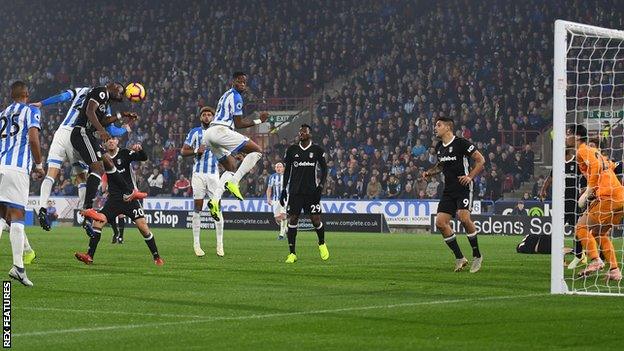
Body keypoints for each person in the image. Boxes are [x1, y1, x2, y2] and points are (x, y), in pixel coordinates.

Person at [31, 86, 130, 230]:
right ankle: (87, 218)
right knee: (82, 177)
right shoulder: (104, 104)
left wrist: (41, 103)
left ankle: (42, 209)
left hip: (61, 132)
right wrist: (125, 129)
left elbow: (62, 96)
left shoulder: (82, 90)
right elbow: (111, 129)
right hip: (78, 135)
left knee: (51, 173)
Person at [75, 139, 163, 266]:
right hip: (114, 199)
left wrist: (140, 149)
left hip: (130, 197)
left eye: (112, 139)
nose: (110, 142)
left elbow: (143, 158)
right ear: (104, 144)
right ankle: (89, 256)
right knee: (97, 223)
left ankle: (157, 257)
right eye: (107, 140)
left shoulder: (125, 153)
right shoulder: (102, 158)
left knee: (143, 227)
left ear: (117, 141)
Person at [70, 83, 146, 223]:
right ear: (112, 87)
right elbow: (89, 112)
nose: (120, 95)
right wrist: (102, 131)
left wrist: (121, 115)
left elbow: (103, 121)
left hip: (89, 134)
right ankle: (88, 207)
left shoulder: (105, 103)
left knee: (108, 163)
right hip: (82, 132)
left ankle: (129, 191)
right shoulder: (101, 92)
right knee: (97, 167)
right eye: (120, 92)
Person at [203, 72, 269, 221]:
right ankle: (234, 182)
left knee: (231, 167)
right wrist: (260, 121)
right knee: (258, 150)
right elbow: (239, 124)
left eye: (245, 82)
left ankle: (214, 200)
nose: (243, 85)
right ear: (233, 82)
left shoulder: (226, 94)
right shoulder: (237, 97)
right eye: (240, 82)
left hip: (209, 134)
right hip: (221, 131)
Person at [423, 117, 485, 273]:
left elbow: (480, 160)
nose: (435, 128)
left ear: (448, 128)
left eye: (438, 125)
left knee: (464, 218)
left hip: (463, 187)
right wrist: (430, 172)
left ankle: (477, 255)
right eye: (435, 125)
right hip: (449, 190)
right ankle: (460, 257)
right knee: (440, 223)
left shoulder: (461, 143)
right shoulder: (439, 147)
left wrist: (470, 177)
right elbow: (442, 165)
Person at [0, 81, 45, 286]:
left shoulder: (2, 114)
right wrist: (39, 164)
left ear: (12, 95)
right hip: (16, 169)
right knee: (17, 216)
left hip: (1, 166)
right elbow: (34, 139)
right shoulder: (31, 111)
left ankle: (19, 267)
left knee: (2, 217)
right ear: (27, 93)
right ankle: (18, 267)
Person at [567, 125, 621, 281]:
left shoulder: (583, 150)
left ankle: (595, 260)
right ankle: (615, 270)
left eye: (568, 134)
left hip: (608, 196)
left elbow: (597, 166)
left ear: (577, 137)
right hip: (619, 195)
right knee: (599, 233)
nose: (566, 137)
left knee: (581, 227)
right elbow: (609, 165)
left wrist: (589, 190)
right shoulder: (595, 152)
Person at [279, 124, 328, 263]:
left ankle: (322, 243)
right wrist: (284, 189)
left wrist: (321, 186)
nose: (301, 134)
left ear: (310, 134)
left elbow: (325, 170)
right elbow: (287, 171)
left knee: (315, 220)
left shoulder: (317, 150)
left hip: (311, 192)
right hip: (295, 192)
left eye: (304, 132)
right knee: (292, 220)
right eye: (300, 132)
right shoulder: (292, 150)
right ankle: (292, 253)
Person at [180, 106, 224, 257]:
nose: (206, 117)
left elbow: (226, 149)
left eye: (209, 115)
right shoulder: (195, 132)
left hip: (214, 175)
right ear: (200, 118)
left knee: (216, 208)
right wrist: (195, 151)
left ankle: (220, 244)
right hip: (198, 174)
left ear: (213, 117)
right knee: (198, 207)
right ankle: (196, 244)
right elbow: (183, 151)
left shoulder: (219, 132)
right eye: (204, 115)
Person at [540, 148, 587, 269]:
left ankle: (579, 254)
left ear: (567, 153)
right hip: (561, 204)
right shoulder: (558, 165)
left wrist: (585, 190)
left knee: (578, 230)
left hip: (574, 203)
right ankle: (561, 258)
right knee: (558, 231)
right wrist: (543, 190)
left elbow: (587, 177)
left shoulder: (576, 164)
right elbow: (549, 179)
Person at [266, 162, 287, 240]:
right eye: (277, 167)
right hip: (275, 200)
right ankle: (286, 229)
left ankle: (281, 235)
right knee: (277, 219)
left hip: (285, 199)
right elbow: (269, 189)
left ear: (283, 168)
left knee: (283, 216)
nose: (278, 168)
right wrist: (268, 198)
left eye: (280, 167)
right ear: (275, 168)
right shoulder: (272, 177)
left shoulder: (287, 176)